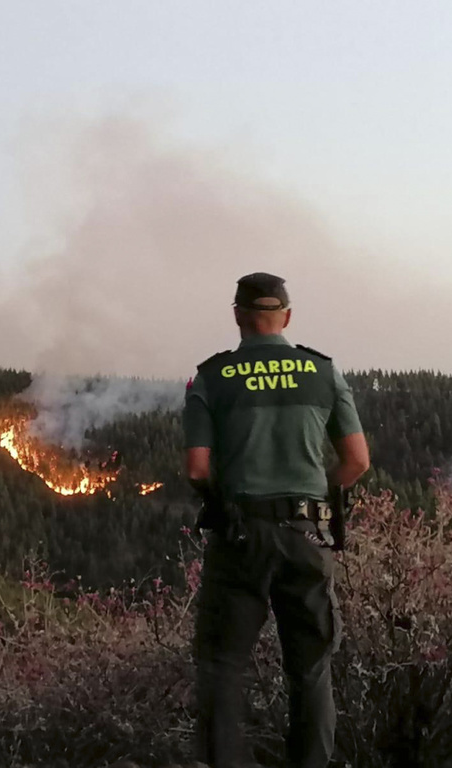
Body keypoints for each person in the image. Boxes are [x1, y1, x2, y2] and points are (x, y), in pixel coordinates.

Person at [183, 272, 370, 768]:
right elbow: (357, 461)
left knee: (222, 665)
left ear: (239, 316)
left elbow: (197, 467)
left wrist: (221, 498)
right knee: (310, 668)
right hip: (308, 535)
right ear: (286, 317)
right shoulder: (323, 372)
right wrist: (320, 496)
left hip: (240, 536)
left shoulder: (211, 376)